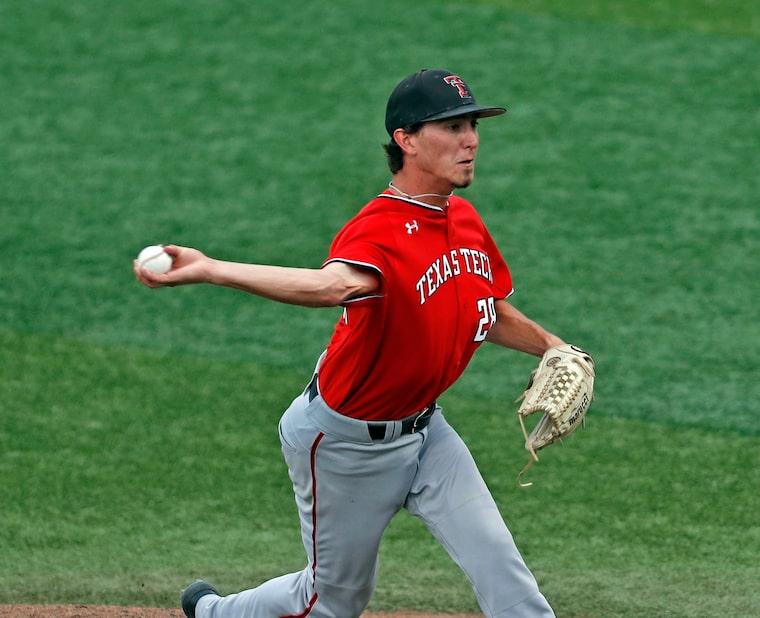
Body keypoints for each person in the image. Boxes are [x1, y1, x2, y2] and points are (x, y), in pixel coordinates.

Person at [136, 68, 566, 618]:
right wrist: (213, 269)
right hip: (345, 445)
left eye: (473, 126)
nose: (472, 139)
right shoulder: (378, 228)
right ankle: (216, 613)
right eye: (453, 126)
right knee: (332, 602)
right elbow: (333, 285)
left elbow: (485, 306)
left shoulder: (463, 219)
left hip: (428, 433)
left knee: (503, 571)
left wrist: (550, 345)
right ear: (407, 140)